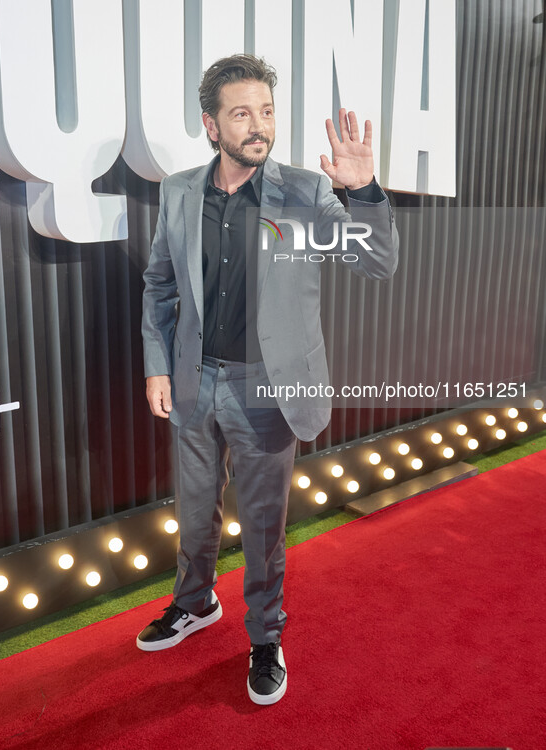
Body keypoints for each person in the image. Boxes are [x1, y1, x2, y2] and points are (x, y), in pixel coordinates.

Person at [138, 54, 398, 705]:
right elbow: (159, 287)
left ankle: (264, 637)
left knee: (261, 528)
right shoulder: (177, 191)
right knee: (194, 516)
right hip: (196, 383)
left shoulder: (304, 193)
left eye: (266, 111)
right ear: (210, 124)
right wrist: (157, 364)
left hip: (269, 390)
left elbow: (375, 264)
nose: (258, 125)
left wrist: (362, 193)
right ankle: (194, 604)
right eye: (241, 113)